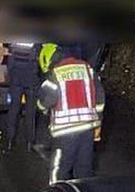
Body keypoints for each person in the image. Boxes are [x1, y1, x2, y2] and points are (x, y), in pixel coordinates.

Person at [37, 46, 105, 183]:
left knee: (59, 169)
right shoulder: (88, 69)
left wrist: (42, 108)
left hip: (65, 131)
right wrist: (98, 124)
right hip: (88, 128)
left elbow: (46, 101)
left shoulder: (55, 74)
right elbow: (100, 99)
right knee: (84, 169)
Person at [2, 41, 40, 151]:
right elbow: (39, 53)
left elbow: (10, 56)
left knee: (13, 110)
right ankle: (29, 142)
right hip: (31, 77)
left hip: (16, 77)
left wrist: (12, 74)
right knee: (30, 112)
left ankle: (10, 141)